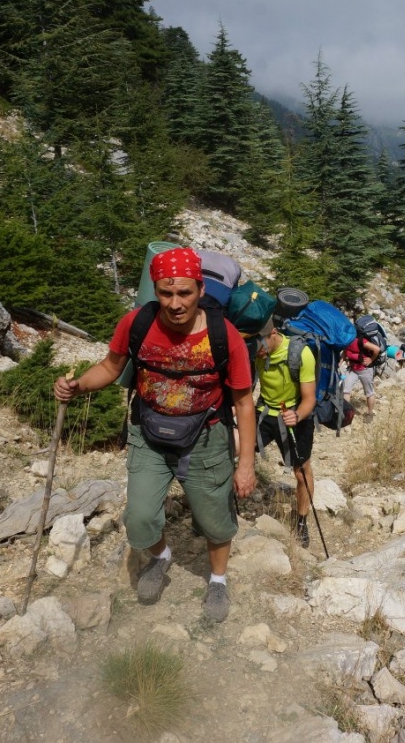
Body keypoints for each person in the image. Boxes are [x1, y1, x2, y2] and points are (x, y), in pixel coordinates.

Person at [53, 248, 256, 621]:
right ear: (155, 291)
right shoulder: (137, 323)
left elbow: (243, 403)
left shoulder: (222, 334)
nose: (175, 303)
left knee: (213, 521)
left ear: (199, 288)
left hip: (206, 435)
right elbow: (110, 367)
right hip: (149, 431)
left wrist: (246, 464)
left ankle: (218, 581)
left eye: (185, 293)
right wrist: (78, 385)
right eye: (166, 293)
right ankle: (161, 557)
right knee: (140, 517)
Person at [253, 318, 317, 548]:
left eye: (260, 345)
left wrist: (297, 415)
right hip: (264, 412)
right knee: (233, 448)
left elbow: (310, 399)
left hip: (295, 413)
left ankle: (301, 520)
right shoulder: (255, 350)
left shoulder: (301, 353)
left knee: (301, 472)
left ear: (273, 334)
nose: (257, 352)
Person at [342, 333, 382, 421]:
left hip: (365, 369)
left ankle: (370, 413)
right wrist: (340, 362)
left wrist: (371, 359)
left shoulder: (361, 341)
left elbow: (377, 349)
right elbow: (345, 352)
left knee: (369, 392)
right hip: (352, 369)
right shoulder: (345, 340)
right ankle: (346, 414)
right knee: (346, 390)